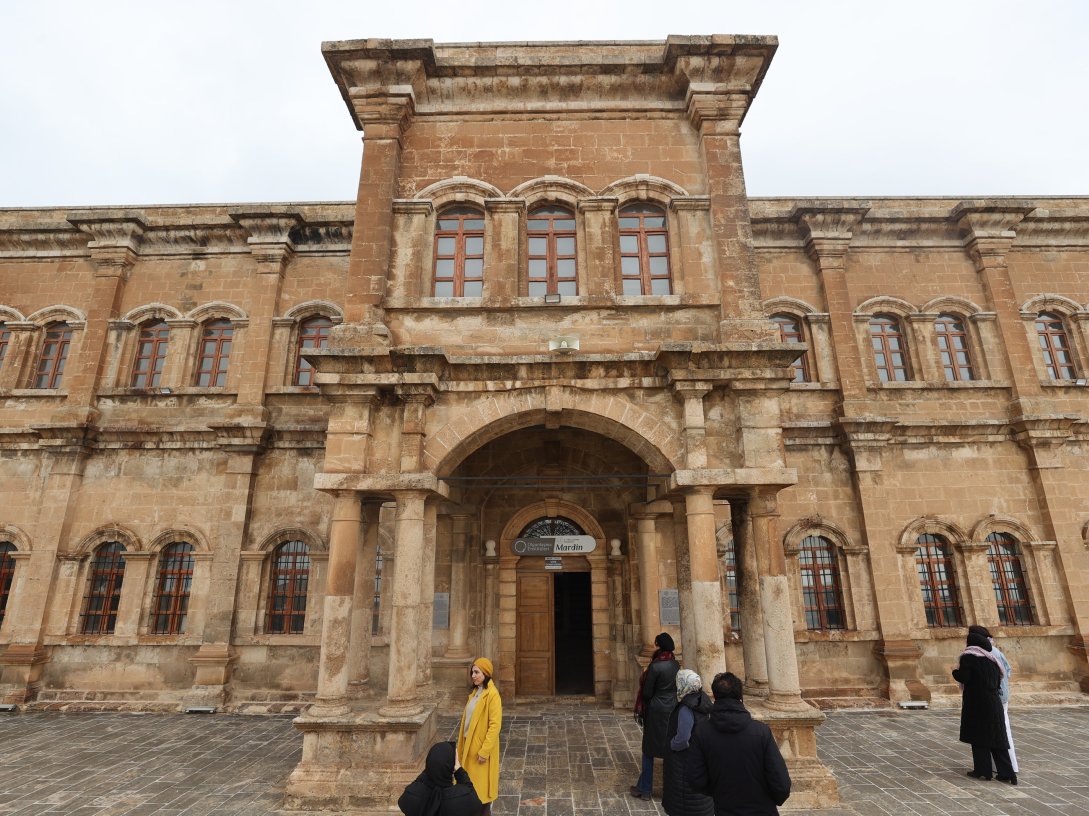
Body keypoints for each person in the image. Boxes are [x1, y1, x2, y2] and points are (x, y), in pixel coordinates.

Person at [687, 672, 791, 816]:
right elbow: (781, 782)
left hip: (725, 808)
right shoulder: (761, 732)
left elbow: (696, 778)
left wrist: (718, 791)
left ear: (715, 698)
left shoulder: (702, 732)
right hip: (762, 809)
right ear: (740, 697)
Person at [953, 630, 1015, 783]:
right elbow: (999, 679)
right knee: (997, 738)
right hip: (994, 702)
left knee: (978, 736)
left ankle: (983, 770)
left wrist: (955, 672)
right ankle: (1007, 773)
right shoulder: (992, 659)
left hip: (977, 702)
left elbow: (965, 677)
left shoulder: (968, 657)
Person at [630, 632, 680, 800]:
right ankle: (667, 789)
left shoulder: (656, 666)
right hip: (672, 708)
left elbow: (647, 692)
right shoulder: (675, 664)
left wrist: (646, 703)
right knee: (669, 748)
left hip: (657, 709)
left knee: (649, 750)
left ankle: (645, 790)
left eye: (655, 643)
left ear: (659, 645)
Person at [662, 669, 714, 816]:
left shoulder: (686, 707)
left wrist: (671, 744)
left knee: (684, 802)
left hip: (684, 762)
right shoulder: (702, 700)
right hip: (700, 758)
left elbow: (683, 738)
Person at [969, 624, 1018, 775]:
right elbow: (1007, 670)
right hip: (1000, 695)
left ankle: (1008, 767)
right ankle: (999, 767)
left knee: (1000, 731)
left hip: (995, 696)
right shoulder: (992, 650)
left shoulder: (986, 652)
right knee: (999, 730)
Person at [456, 657, 502, 815]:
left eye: (477, 672)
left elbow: (495, 725)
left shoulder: (492, 695)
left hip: (480, 751)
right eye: (472, 672)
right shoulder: (475, 693)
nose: (473, 675)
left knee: (481, 795)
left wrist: (484, 751)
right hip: (468, 748)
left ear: (486, 673)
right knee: (470, 790)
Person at [398, 741, 482, 816]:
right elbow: (473, 796)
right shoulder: (462, 798)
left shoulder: (411, 794)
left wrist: (431, 767)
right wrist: (459, 771)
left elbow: (416, 783)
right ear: (452, 767)